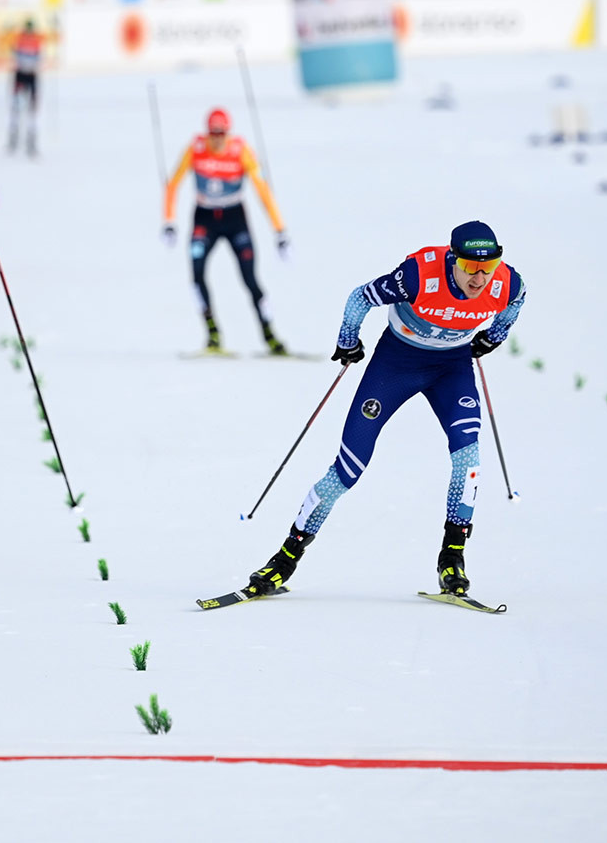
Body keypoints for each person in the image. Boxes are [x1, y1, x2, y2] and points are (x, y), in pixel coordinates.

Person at [239, 220, 526, 600]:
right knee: (348, 468)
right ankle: (285, 559)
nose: (479, 278)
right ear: (452, 259)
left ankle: (452, 558)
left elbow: (515, 303)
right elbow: (361, 297)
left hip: (451, 369)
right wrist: (347, 340)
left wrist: (494, 337)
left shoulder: (508, 283)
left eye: (487, 268)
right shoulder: (418, 274)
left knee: (468, 458)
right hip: (396, 365)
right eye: (471, 267)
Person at [163, 107, 290, 355]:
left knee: (250, 279)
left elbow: (263, 191)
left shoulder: (241, 150)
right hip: (205, 218)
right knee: (197, 275)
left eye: (221, 132)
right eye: (213, 132)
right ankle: (212, 334)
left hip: (235, 218)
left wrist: (280, 231)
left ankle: (270, 335)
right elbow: (172, 184)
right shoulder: (196, 149)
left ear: (228, 132)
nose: (217, 138)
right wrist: (169, 222)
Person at [7, 18, 45, 157]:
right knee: (16, 107)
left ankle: (31, 140)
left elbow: (40, 57)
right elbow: (14, 56)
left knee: (32, 109)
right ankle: (14, 138)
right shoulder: (21, 39)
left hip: (30, 76)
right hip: (22, 75)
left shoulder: (34, 40)